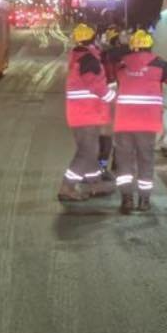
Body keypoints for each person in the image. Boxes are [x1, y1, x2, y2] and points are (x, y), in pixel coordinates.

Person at [113, 29, 167, 213]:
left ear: (133, 46)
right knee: (146, 160)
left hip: (124, 122)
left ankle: (126, 199)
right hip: (147, 123)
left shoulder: (121, 65)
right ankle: (144, 201)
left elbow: (120, 80)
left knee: (124, 161)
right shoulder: (158, 64)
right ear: (150, 45)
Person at [59, 23, 117, 202]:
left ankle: (96, 184)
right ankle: (67, 187)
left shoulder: (80, 57)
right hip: (85, 114)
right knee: (87, 152)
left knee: (90, 150)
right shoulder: (88, 60)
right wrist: (113, 97)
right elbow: (95, 85)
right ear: (93, 39)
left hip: (81, 113)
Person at [96, 25, 127, 179]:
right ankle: (117, 164)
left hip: (106, 101)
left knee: (105, 138)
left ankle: (101, 167)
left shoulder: (101, 56)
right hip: (119, 99)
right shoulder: (125, 57)